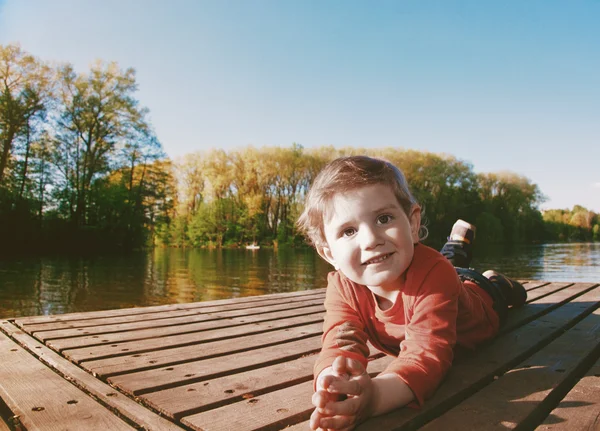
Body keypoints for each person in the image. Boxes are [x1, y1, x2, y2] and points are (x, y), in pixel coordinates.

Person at [296, 155, 527, 431]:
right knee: (446, 263)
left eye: (384, 218)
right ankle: (456, 245)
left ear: (413, 223)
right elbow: (340, 339)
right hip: (438, 271)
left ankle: (493, 277)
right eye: (348, 231)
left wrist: (374, 398)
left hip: (482, 299)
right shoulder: (343, 285)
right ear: (328, 254)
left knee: (484, 283)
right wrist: (334, 379)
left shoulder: (434, 274)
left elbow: (426, 356)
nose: (371, 239)